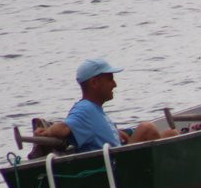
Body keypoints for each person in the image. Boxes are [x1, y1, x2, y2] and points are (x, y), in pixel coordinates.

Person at [33, 58, 176, 155]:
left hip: (121, 156)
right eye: (110, 79)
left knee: (171, 134)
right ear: (95, 83)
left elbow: (96, 132)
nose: (115, 84)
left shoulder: (95, 110)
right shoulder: (84, 109)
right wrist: (47, 132)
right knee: (147, 128)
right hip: (117, 167)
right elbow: (64, 128)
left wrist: (116, 132)